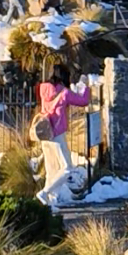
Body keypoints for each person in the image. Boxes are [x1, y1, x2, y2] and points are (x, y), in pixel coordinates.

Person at [37, 64, 90, 198]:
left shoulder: (43, 89)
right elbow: (83, 101)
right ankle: (44, 193)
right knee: (67, 168)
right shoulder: (64, 93)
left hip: (45, 133)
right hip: (57, 134)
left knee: (52, 169)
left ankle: (51, 202)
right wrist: (84, 85)